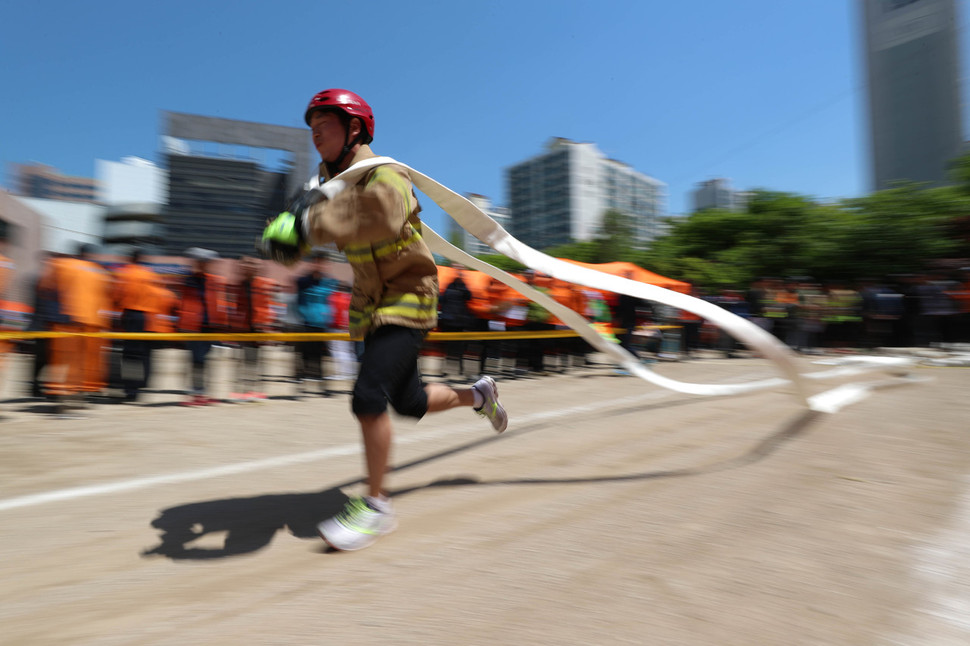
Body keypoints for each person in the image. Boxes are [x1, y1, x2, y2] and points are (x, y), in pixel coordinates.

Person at [261, 88, 507, 551]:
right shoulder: (325, 186)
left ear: (354, 128)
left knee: (367, 396)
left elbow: (378, 219)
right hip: (369, 305)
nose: (314, 133)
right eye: (311, 127)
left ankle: (377, 506)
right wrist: (290, 241)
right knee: (409, 402)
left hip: (409, 297)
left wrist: (308, 224)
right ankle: (479, 394)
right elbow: (334, 233)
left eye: (324, 125)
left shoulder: (385, 174)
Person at [177, 248, 228, 406]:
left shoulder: (213, 280)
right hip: (194, 328)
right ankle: (197, 393)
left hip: (210, 327)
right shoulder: (189, 280)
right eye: (200, 262)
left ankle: (204, 392)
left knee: (206, 360)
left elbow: (220, 303)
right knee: (197, 360)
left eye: (205, 262)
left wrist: (222, 323)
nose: (202, 265)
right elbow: (185, 303)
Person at [112, 248, 161, 402]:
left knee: (130, 355)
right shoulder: (150, 274)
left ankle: (131, 390)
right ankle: (142, 384)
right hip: (149, 317)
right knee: (145, 353)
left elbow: (116, 296)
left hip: (132, 315)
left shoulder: (125, 273)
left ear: (130, 258)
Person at [228, 255, 276, 402]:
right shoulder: (238, 285)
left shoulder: (263, 284)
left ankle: (255, 390)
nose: (249, 266)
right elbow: (233, 308)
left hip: (258, 328)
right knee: (240, 360)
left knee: (256, 360)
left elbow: (268, 307)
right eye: (246, 264)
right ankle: (240, 390)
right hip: (242, 328)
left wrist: (268, 326)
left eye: (253, 264)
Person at [295, 254, 336, 394]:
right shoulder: (303, 281)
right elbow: (298, 301)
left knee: (322, 357)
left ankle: (323, 386)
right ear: (312, 263)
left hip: (323, 325)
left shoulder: (329, 282)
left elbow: (331, 301)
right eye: (316, 262)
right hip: (307, 324)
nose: (319, 265)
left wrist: (329, 317)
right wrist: (304, 314)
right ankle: (301, 385)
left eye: (322, 262)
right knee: (304, 356)